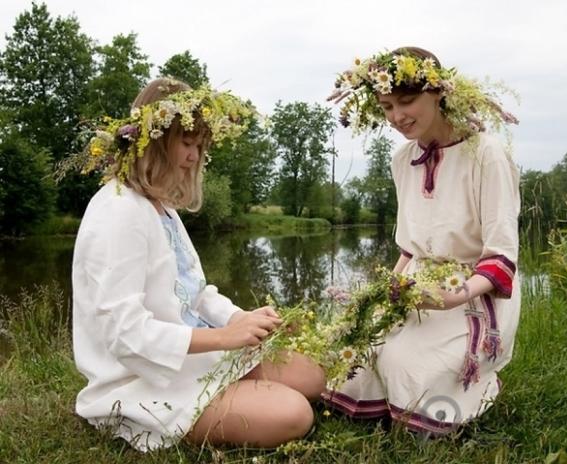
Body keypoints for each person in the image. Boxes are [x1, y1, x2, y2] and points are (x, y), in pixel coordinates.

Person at [71, 78, 326, 452]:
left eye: (199, 146)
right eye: (187, 144)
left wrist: (241, 319)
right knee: (294, 414)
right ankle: (177, 413)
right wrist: (222, 339)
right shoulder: (118, 210)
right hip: (140, 379)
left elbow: (195, 292)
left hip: (194, 357)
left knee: (312, 376)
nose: (194, 157)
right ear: (154, 141)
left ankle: (236, 392)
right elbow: (124, 333)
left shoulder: (161, 208)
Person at [322, 47, 521, 435]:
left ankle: (482, 380)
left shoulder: (487, 155)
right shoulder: (402, 159)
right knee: (354, 360)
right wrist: (382, 295)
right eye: (386, 106)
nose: (397, 117)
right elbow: (409, 247)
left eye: (407, 101)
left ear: (438, 93)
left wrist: (455, 296)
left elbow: (501, 257)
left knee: (406, 368)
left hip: (472, 293)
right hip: (415, 287)